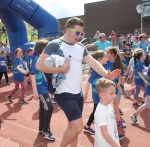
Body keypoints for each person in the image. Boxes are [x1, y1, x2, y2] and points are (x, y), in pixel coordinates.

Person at [36, 17, 121, 147]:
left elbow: (93, 62)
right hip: (64, 92)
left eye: (82, 33)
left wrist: (107, 74)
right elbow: (39, 65)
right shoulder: (55, 44)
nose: (80, 36)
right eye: (77, 33)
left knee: (72, 126)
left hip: (78, 93)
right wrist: (60, 69)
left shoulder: (80, 47)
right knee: (77, 127)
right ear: (67, 30)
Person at [31, 38, 55, 140]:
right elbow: (32, 75)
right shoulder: (37, 59)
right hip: (41, 88)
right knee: (49, 107)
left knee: (43, 108)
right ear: (43, 49)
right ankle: (46, 130)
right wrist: (35, 92)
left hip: (44, 87)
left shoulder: (45, 59)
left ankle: (41, 128)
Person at [84, 51, 108, 134]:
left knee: (101, 110)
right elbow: (88, 82)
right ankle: (87, 126)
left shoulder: (102, 67)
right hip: (97, 95)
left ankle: (100, 125)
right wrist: (85, 94)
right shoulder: (96, 70)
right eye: (105, 58)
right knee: (96, 110)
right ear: (99, 59)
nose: (107, 59)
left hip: (101, 94)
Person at [94, 78, 120, 147]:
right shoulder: (101, 111)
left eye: (115, 92)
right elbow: (104, 133)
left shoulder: (108, 106)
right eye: (111, 93)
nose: (115, 95)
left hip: (111, 142)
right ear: (102, 95)